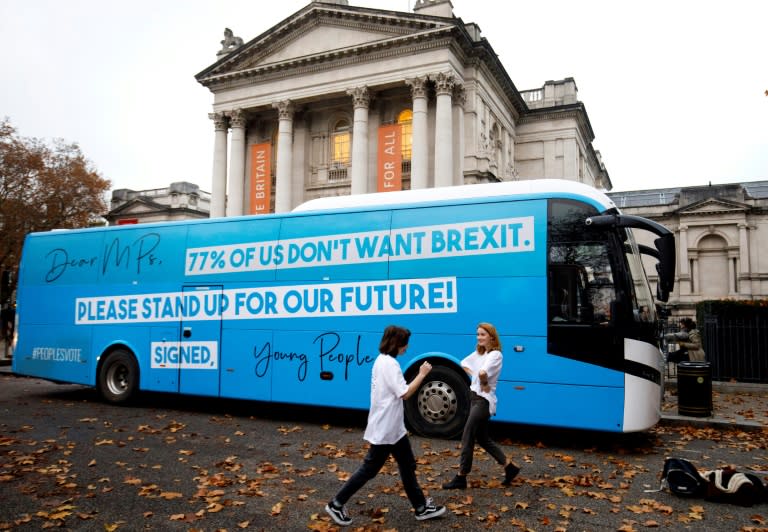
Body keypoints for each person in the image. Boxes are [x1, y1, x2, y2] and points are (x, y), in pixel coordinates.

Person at [325, 325, 446, 526]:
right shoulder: (389, 364)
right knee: (369, 469)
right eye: (405, 344)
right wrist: (422, 374)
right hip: (386, 429)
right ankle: (336, 504)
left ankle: (421, 507)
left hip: (393, 429)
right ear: (397, 344)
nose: (407, 348)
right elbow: (405, 393)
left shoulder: (382, 361)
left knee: (407, 465)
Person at [443, 322, 521, 490]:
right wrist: (477, 377)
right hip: (476, 399)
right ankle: (510, 467)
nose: (479, 337)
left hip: (483, 401)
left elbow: (483, 372)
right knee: (483, 439)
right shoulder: (481, 353)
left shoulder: (495, 355)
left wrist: (483, 382)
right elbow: (464, 363)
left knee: (467, 435)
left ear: (492, 337)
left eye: (483, 334)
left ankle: (461, 477)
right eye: (478, 334)